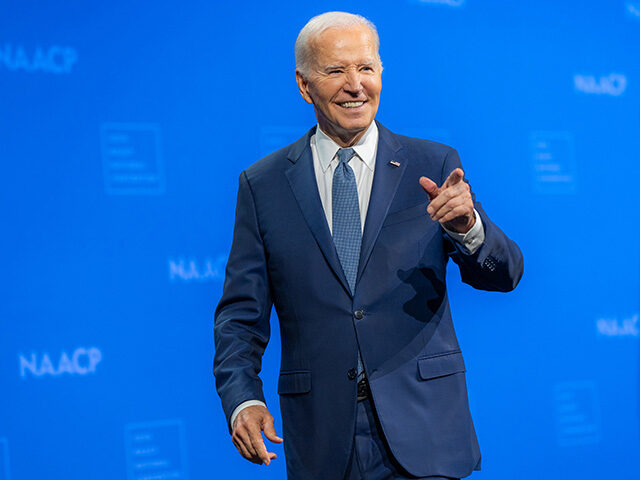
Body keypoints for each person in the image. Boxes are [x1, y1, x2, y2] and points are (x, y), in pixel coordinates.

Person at [213, 11, 523, 480]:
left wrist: (468, 227)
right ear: (304, 84)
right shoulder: (263, 184)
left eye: (366, 68)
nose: (356, 85)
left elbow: (504, 275)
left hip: (425, 432)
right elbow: (240, 316)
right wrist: (244, 399)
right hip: (321, 439)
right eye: (336, 71)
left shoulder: (433, 162)